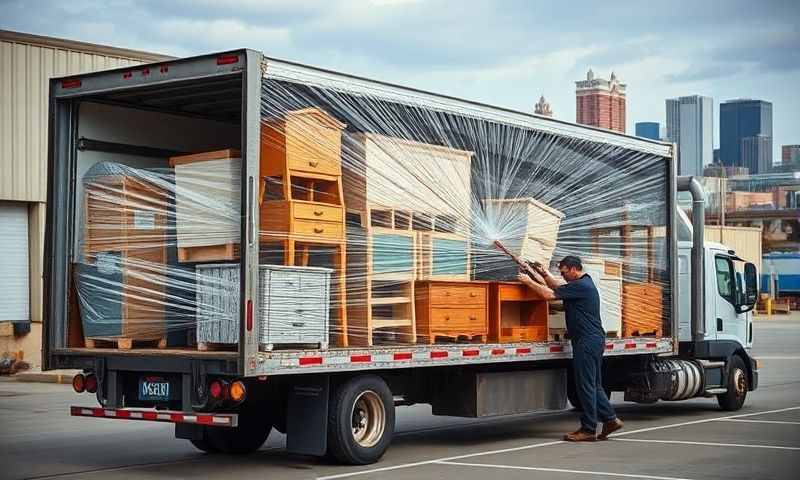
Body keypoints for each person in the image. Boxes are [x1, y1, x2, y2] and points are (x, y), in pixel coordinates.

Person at [517, 255, 623, 442]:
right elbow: (557, 286)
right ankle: (610, 419)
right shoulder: (582, 283)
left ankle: (589, 429)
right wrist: (542, 273)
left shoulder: (582, 286)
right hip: (593, 340)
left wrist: (527, 281)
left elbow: (549, 294)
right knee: (594, 385)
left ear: (574, 269)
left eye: (565, 272)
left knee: (585, 386)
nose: (563, 276)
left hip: (587, 341)